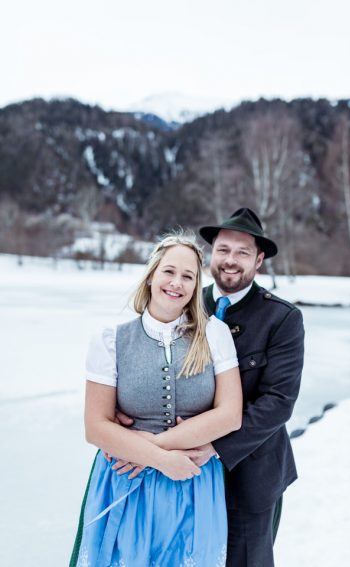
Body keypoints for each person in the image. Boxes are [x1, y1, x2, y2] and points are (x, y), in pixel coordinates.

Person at [70, 233, 242, 567]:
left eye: (188, 276)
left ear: (196, 286)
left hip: (193, 482)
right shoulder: (112, 340)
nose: (177, 283)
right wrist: (160, 460)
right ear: (151, 275)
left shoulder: (213, 334)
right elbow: (96, 427)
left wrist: (154, 450)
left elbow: (229, 415)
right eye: (169, 271)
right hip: (125, 482)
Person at [197, 207, 305, 566]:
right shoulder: (187, 305)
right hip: (185, 472)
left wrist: (213, 445)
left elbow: (279, 401)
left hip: (251, 475)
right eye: (223, 250)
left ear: (259, 261)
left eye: (242, 253)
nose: (231, 260)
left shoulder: (282, 318)